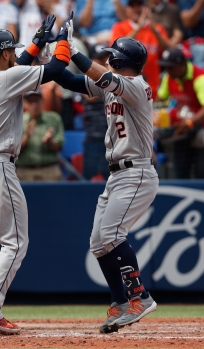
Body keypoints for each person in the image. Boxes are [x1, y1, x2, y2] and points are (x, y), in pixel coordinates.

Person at [0, 18, 71, 335]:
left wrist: (35, 43)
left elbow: (16, 67)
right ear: (5, 54)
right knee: (15, 243)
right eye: (11, 50)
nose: (14, 55)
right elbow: (58, 68)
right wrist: (63, 39)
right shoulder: (8, 78)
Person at [52, 22, 158, 333]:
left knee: (111, 236)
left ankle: (140, 297)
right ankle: (120, 302)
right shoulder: (112, 85)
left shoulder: (137, 86)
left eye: (113, 56)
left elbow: (102, 75)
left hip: (136, 171)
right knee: (99, 243)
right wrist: (56, 54)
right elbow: (71, 81)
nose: (109, 59)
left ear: (122, 61)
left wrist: (74, 51)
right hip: (118, 175)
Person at [157, 47, 204, 179]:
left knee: (201, 171)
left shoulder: (202, 78)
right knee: (180, 169)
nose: (167, 71)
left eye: (171, 67)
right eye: (166, 67)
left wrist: (190, 122)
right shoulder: (169, 77)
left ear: (182, 65)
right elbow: (161, 99)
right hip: (183, 129)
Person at [109, 0, 170, 98]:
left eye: (139, 5)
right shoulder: (119, 27)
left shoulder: (156, 28)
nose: (136, 9)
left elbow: (169, 50)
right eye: (132, 6)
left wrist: (154, 30)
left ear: (146, 8)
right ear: (127, 9)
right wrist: (138, 27)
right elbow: (117, 49)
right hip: (127, 89)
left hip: (152, 89)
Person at [16, 90, 64, 182]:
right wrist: (27, 136)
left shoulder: (54, 119)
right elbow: (13, 151)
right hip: (24, 169)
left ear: (42, 101)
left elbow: (59, 147)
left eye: (36, 101)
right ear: (25, 103)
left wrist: (49, 141)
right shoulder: (18, 120)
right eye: (30, 101)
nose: (34, 105)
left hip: (49, 168)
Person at [81, 45, 110, 180]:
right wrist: (111, 88)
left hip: (111, 139)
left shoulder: (111, 78)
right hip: (93, 138)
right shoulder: (87, 77)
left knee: (111, 179)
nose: (103, 61)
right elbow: (90, 97)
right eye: (99, 58)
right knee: (89, 180)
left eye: (104, 57)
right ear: (91, 60)